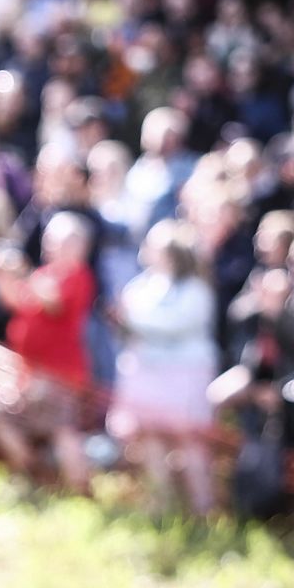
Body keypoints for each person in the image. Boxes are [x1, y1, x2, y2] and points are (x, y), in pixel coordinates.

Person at [108, 219, 220, 515]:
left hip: (183, 375)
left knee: (189, 442)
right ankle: (161, 505)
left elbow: (177, 324)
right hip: (147, 372)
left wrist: (132, 319)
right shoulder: (143, 284)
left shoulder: (195, 289)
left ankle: (202, 509)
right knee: (151, 439)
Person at [0, 212, 97, 494]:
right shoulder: (46, 274)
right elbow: (17, 301)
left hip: (58, 375)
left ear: (75, 244)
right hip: (32, 374)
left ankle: (79, 491)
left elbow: (53, 303)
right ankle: (34, 475)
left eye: (54, 241)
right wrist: (1, 273)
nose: (47, 246)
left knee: (62, 432)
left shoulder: (77, 275)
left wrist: (21, 271)